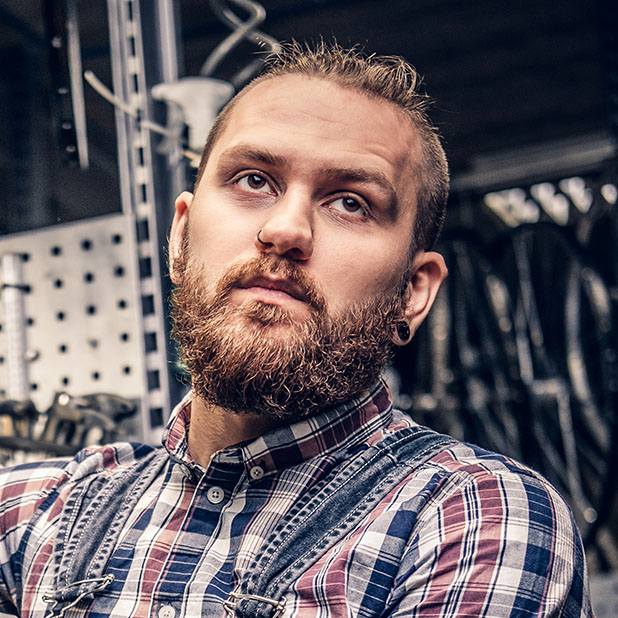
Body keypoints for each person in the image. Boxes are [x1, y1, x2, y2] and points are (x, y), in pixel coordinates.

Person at [0, 41, 592, 618]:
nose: (286, 229)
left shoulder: (472, 517)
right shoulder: (30, 517)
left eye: (351, 202)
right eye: (254, 180)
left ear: (412, 293)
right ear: (180, 238)